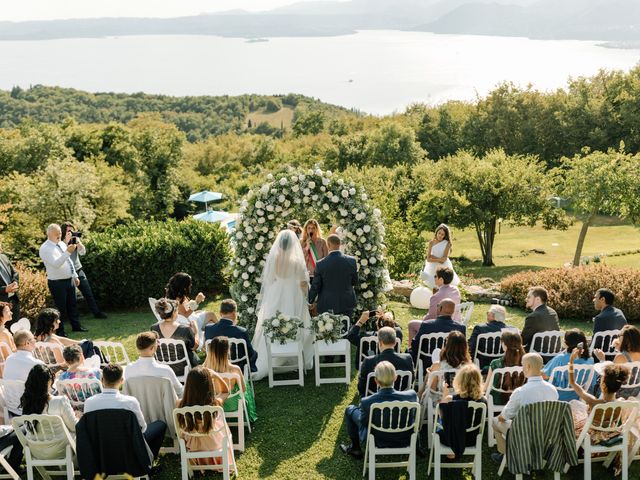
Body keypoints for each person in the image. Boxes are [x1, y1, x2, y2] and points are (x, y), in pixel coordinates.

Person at [251, 230, 315, 380]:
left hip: (276, 292)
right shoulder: (296, 261)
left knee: (272, 323)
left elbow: (270, 278)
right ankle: (293, 357)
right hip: (293, 294)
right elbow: (303, 283)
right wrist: (306, 297)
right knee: (296, 322)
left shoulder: (274, 259)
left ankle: (271, 356)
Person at [84, 364, 167, 460]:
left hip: (101, 447)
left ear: (102, 380)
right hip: (128, 445)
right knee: (161, 425)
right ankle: (147, 460)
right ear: (122, 381)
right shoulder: (130, 402)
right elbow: (142, 428)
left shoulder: (89, 403)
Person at [341, 361, 419, 459]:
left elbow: (363, 422)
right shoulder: (411, 396)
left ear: (376, 381)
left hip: (377, 440)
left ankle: (356, 448)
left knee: (350, 409)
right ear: (395, 377)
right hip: (404, 438)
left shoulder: (367, 402)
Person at [491, 353, 558, 462]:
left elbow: (505, 416)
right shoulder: (552, 389)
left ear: (528, 367)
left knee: (495, 422)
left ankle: (506, 456)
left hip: (524, 434)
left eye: (522, 365)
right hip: (546, 434)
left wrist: (498, 418)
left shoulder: (521, 392)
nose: (522, 368)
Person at [175, 366, 235, 469]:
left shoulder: (179, 404)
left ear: (188, 385)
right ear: (208, 385)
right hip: (214, 445)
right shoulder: (215, 404)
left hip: (193, 446)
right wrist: (216, 375)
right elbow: (226, 391)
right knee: (221, 425)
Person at [39, 223, 87, 335]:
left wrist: (74, 275)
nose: (60, 235)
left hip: (69, 280)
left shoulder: (61, 243)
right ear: (49, 234)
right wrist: (68, 252)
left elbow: (69, 261)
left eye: (60, 233)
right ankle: (60, 331)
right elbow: (56, 264)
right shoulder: (45, 248)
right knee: (60, 308)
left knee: (73, 305)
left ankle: (76, 326)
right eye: (57, 233)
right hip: (57, 282)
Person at [204, 336, 257, 423]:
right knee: (245, 384)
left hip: (214, 402)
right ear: (227, 351)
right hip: (233, 404)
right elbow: (243, 390)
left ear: (210, 352)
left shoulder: (205, 370)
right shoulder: (235, 369)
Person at [60, 222, 107, 319]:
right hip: (67, 272)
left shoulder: (75, 240)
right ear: (63, 231)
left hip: (78, 269)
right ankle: (72, 318)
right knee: (71, 297)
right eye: (68, 230)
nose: (71, 232)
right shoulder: (60, 243)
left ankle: (96, 313)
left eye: (72, 230)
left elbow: (83, 253)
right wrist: (66, 241)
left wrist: (78, 243)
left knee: (88, 293)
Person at [308, 234, 358, 319]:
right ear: (339, 244)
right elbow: (355, 282)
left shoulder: (320, 264)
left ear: (328, 245)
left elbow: (316, 286)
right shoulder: (351, 261)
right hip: (347, 302)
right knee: (346, 327)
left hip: (327, 303)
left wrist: (310, 301)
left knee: (329, 330)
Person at [408, 266, 461, 345]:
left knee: (411, 324)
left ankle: (411, 349)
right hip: (455, 324)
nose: (434, 278)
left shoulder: (436, 296)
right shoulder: (456, 290)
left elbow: (431, 317)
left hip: (440, 328)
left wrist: (423, 320)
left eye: (435, 276)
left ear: (441, 279)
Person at [356, 326, 413, 397]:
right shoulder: (407, 358)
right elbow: (411, 380)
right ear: (395, 342)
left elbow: (361, 386)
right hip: (400, 397)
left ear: (380, 343)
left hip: (375, 398)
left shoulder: (368, 361)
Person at [410, 298, 466, 369]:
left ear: (440, 308)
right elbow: (463, 348)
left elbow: (416, 344)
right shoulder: (461, 327)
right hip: (452, 363)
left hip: (427, 362)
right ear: (453, 311)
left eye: (438, 306)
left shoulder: (427, 325)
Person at [205, 299, 257, 374]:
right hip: (235, 368)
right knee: (254, 353)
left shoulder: (209, 329)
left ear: (220, 313)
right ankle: (246, 374)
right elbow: (249, 353)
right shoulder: (241, 331)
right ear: (234, 313)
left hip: (215, 368)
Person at [20, 364, 77, 433]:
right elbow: (74, 427)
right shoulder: (60, 401)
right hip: (63, 443)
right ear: (49, 381)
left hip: (36, 443)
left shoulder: (27, 403)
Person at [125, 331, 184, 397]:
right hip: (163, 407)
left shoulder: (129, 369)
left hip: (138, 406)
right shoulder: (165, 370)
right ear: (153, 348)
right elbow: (179, 391)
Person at [151, 298, 199, 377]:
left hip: (163, 368)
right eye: (177, 311)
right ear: (174, 312)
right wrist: (196, 332)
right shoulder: (184, 329)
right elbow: (194, 347)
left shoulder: (154, 328)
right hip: (182, 369)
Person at [165, 272, 217, 343]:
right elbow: (185, 315)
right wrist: (197, 302)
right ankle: (224, 331)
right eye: (189, 283)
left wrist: (195, 310)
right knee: (211, 314)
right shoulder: (177, 299)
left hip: (189, 318)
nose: (191, 285)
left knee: (209, 321)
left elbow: (185, 311)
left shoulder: (178, 295)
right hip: (189, 322)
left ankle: (209, 343)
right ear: (183, 285)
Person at [542, 329, 593, 401]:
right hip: (577, 395)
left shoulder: (561, 359)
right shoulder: (590, 359)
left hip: (557, 396)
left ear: (567, 343)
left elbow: (545, 375)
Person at [34, 308, 98, 364]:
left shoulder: (38, 336)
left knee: (88, 343)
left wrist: (80, 342)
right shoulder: (53, 341)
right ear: (50, 323)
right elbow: (63, 363)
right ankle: (97, 366)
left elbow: (63, 340)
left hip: (49, 366)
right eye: (56, 320)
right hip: (62, 369)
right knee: (90, 345)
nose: (59, 321)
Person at [423, 330, 471, 399]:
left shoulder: (437, 366)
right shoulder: (468, 367)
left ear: (447, 346)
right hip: (460, 401)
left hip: (440, 402)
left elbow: (432, 390)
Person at [483, 330, 526, 406]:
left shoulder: (495, 364)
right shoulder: (525, 363)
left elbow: (486, 388)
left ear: (504, 345)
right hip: (519, 400)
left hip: (496, 401)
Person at [468, 305, 513, 370]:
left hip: (482, 361)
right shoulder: (510, 329)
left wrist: (469, 361)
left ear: (492, 315)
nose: (487, 315)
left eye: (488, 313)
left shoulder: (480, 328)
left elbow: (472, 346)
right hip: (501, 361)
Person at [420, 224, 460, 290]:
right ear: (436, 232)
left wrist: (433, 257)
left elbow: (444, 260)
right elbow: (428, 259)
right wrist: (439, 259)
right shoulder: (431, 243)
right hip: (432, 266)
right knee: (432, 285)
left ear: (445, 235)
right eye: (439, 233)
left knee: (444, 283)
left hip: (444, 266)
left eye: (442, 234)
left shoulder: (447, 243)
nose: (440, 236)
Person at [520, 286, 559, 350]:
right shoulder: (553, 312)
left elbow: (523, 341)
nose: (526, 299)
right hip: (553, 352)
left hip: (536, 354)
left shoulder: (533, 316)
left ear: (538, 299)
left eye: (529, 297)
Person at [0, 247, 20, 322]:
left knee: (15, 326)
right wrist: (5, 289)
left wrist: (15, 282)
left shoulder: (4, 257)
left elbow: (15, 273)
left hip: (13, 299)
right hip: (1, 305)